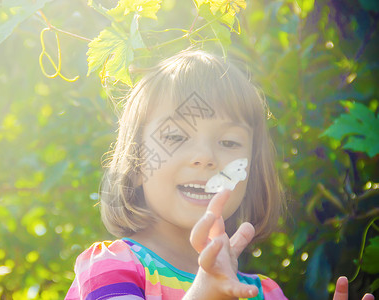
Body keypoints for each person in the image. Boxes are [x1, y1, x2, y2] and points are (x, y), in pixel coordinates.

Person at [64, 50, 375, 300]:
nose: (205, 158)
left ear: (251, 177)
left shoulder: (264, 293)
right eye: (174, 137)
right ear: (136, 166)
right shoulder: (111, 268)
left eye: (228, 142)